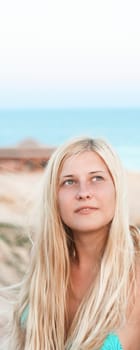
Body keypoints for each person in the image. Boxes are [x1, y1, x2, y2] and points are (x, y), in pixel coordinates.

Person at [6, 136, 140, 350]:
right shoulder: (44, 261)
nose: (84, 193)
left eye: (96, 178)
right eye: (69, 181)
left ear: (117, 188)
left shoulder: (135, 275)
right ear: (54, 197)